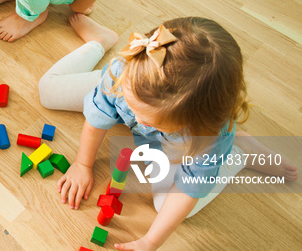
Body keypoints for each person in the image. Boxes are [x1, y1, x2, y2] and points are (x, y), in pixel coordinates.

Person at [38, 15, 298, 250]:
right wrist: (83, 163)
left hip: (172, 143)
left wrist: (151, 241)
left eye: (151, 119)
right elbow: (98, 116)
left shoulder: (205, 137)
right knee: (48, 90)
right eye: (135, 105)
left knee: (168, 206)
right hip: (124, 82)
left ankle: (239, 151)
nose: (136, 118)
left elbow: (189, 187)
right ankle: (99, 41)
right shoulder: (126, 71)